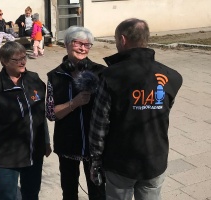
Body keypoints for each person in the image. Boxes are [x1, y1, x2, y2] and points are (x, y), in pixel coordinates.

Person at [89, 18, 183, 200]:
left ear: (122, 40)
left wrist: (95, 160)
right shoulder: (172, 76)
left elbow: (99, 125)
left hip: (120, 161)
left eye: (116, 40)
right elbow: (163, 113)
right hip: (155, 157)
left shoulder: (110, 76)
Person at [0, 41, 52, 200]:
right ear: (4, 61)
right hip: (6, 157)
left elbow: (40, 114)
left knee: (31, 194)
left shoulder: (34, 80)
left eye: (24, 57)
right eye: (16, 59)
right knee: (7, 197)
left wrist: (46, 141)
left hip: (34, 153)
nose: (23, 62)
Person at [46, 26, 106, 200]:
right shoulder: (55, 76)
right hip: (67, 144)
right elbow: (51, 114)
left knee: (98, 193)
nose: (82, 48)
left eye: (87, 45)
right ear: (66, 44)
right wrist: (75, 103)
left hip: (95, 145)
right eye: (78, 43)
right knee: (69, 192)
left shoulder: (100, 72)